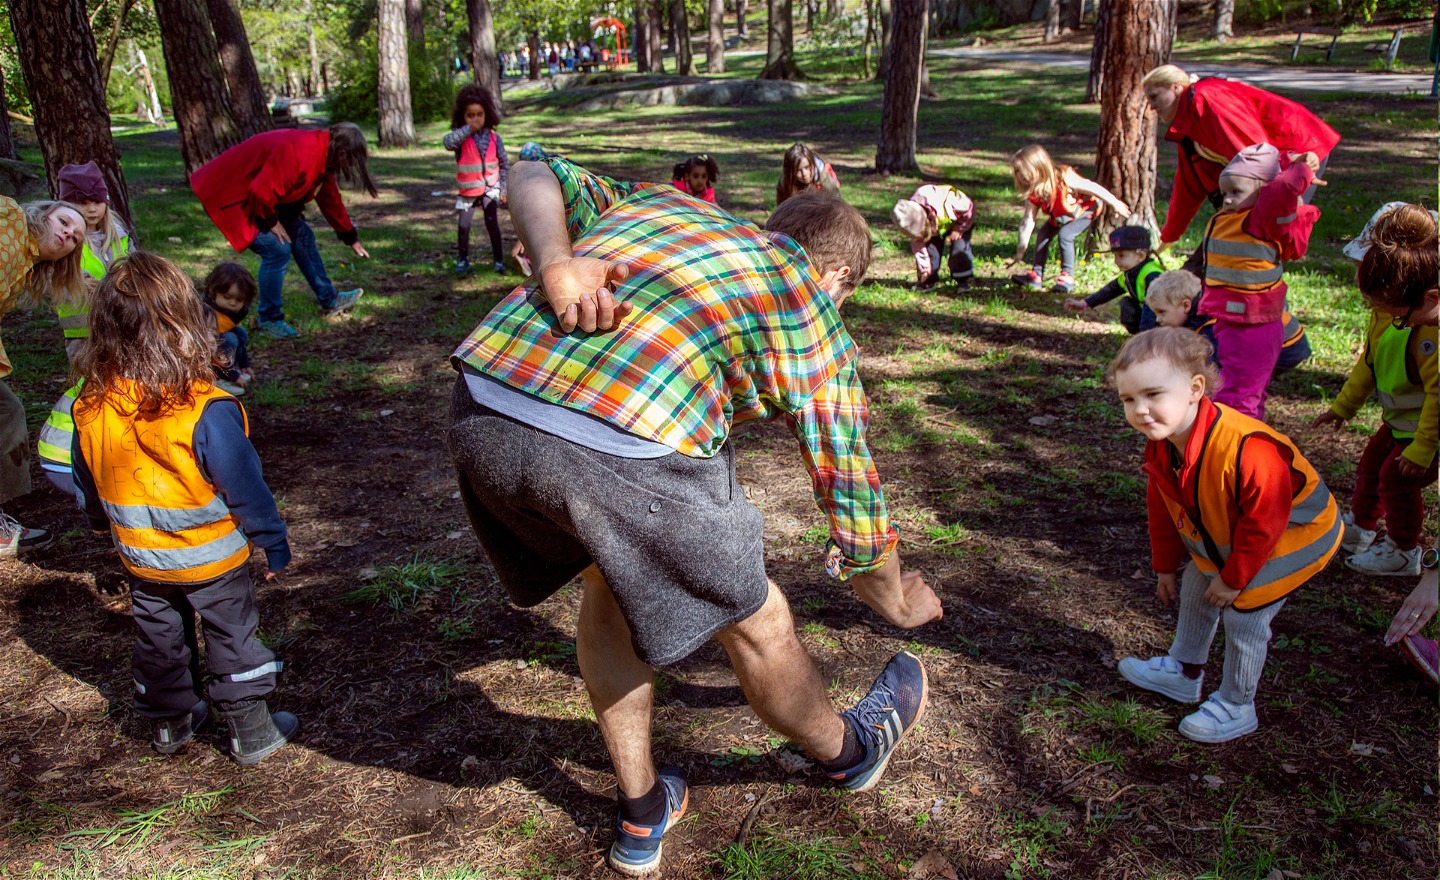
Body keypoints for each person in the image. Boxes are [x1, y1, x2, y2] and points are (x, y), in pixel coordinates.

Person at [446, 157, 942, 875]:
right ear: (837, 281)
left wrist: (555, 260)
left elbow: (529, 170)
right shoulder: (813, 308)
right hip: (621, 446)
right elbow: (853, 498)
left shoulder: (664, 206)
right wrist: (897, 597)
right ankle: (849, 753)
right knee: (757, 616)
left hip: (483, 409)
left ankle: (644, 811)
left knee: (606, 588)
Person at [71, 252, 297, 763]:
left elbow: (88, 476)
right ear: (185, 324)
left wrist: (94, 522)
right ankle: (251, 730)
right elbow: (245, 485)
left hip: (143, 560)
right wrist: (271, 539)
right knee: (231, 634)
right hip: (212, 561)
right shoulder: (205, 407)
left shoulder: (90, 402)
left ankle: (171, 725)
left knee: (159, 638)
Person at [1110, 328, 1340, 742]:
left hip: (1299, 530)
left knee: (1245, 608)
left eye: (1153, 394)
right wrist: (1165, 568)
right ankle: (1185, 670)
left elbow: (1266, 522)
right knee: (1201, 574)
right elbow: (1163, 508)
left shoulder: (1246, 447)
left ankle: (1238, 704)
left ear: (1196, 388)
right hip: (1244, 529)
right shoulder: (1162, 444)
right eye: (1128, 399)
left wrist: (1234, 579)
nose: (1140, 410)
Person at [1340, 203, 1440, 683]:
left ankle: (1404, 549)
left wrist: (1432, 574)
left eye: (1400, 315)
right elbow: (1368, 366)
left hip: (1418, 431)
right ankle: (1374, 533)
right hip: (1400, 423)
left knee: (1393, 481)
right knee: (1375, 471)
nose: (1393, 322)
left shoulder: (1430, 338)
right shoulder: (1406, 316)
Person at [191, 122, 376, 339]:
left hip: (264, 198)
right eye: (351, 160)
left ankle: (329, 299)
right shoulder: (300, 152)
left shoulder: (323, 155)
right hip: (233, 192)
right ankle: (269, 319)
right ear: (342, 152)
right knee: (276, 249)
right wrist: (271, 222)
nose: (350, 166)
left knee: (302, 236)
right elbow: (260, 192)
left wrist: (350, 237)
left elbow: (330, 199)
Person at [1141, 64, 1340, 250]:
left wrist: (1293, 165)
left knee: (1269, 233)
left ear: (1175, 88)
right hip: (1278, 160)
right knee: (1249, 234)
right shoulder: (1186, 126)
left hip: (1301, 149)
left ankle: (1261, 280)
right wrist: (1169, 237)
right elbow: (1187, 187)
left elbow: (1259, 153)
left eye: (1154, 96)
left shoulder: (1208, 99)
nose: (1151, 107)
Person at [1192, 143, 1321, 421]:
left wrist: (1301, 165)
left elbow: (1284, 187)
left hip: (1254, 324)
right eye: (1225, 192)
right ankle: (1245, 435)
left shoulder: (1261, 219)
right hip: (1232, 321)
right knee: (1243, 389)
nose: (1227, 200)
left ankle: (1235, 443)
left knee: (1239, 395)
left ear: (1263, 191)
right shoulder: (1230, 219)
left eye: (1236, 192)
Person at [0, 198, 86, 555]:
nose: (68, 233)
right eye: (65, 222)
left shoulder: (26, 263)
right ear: (44, 213)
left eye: (75, 239)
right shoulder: (11, 218)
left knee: (8, 411)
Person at [1008, 144, 1129, 294]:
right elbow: (1028, 221)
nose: (1019, 175)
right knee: (1043, 234)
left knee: (1065, 235)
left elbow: (1092, 187)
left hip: (1085, 210)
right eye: (1017, 171)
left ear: (1038, 167)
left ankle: (1067, 277)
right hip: (1061, 216)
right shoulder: (1034, 192)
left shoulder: (1063, 177)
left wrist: (1114, 203)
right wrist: (1021, 249)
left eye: (1022, 170)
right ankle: (1036, 276)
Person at [1148, 270, 1311, 378]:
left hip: (1288, 347)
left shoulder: (1211, 322)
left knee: (1235, 380)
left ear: (1186, 305)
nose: (1157, 319)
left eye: (1162, 312)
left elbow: (1215, 367)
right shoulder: (1204, 307)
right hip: (1284, 340)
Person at [55, 161, 131, 358]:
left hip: (123, 326)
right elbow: (52, 279)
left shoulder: (120, 235)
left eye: (97, 202)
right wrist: (77, 283)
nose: (91, 209)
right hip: (83, 334)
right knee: (87, 384)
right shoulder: (62, 240)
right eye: (83, 203)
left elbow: (135, 269)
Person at [444, 85, 510, 276]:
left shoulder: (494, 138)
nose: (475, 119)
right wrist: (466, 130)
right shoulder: (460, 138)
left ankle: (498, 261)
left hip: (490, 188)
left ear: (487, 114)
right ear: (462, 117)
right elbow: (448, 142)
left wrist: (503, 188)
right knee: (464, 226)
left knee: (493, 224)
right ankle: (463, 260)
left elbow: (504, 163)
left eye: (479, 114)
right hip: (468, 191)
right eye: (470, 115)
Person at [1064, 225, 1164, 333]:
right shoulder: (1130, 274)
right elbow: (1109, 291)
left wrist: (1145, 335)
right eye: (1115, 255)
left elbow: (1152, 307)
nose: (1116, 261)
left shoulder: (1152, 275)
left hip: (1166, 317)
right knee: (1127, 305)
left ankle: (1151, 341)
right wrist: (1086, 303)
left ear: (1141, 256)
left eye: (1121, 255)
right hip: (1155, 317)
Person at [891, 183, 976, 291]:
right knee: (930, 251)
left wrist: (959, 228)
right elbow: (920, 249)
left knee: (959, 250)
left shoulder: (949, 202)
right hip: (936, 228)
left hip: (958, 222)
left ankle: (963, 280)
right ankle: (928, 280)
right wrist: (924, 270)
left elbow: (969, 209)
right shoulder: (909, 218)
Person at [204, 262, 259, 396]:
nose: (233, 303)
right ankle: (218, 379)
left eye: (239, 300)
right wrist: (234, 376)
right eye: (227, 297)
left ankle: (233, 370)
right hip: (207, 358)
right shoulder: (206, 312)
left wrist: (245, 364)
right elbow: (213, 351)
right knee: (229, 339)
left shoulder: (230, 312)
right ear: (213, 291)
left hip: (220, 353)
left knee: (240, 333)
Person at [775, 143, 840, 206]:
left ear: (813, 163)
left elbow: (837, 205)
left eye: (807, 167)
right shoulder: (785, 183)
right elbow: (782, 209)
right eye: (798, 170)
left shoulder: (824, 179)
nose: (804, 174)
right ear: (791, 172)